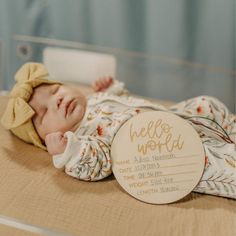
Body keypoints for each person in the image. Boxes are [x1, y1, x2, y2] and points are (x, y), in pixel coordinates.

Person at [1, 63, 235, 199]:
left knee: (206, 104)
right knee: (212, 163)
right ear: (44, 140)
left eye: (54, 90)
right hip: (163, 152)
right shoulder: (83, 139)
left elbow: (127, 102)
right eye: (44, 114)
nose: (57, 101)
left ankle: (230, 129)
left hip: (171, 116)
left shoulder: (95, 98)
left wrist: (113, 89)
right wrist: (68, 152)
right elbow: (97, 163)